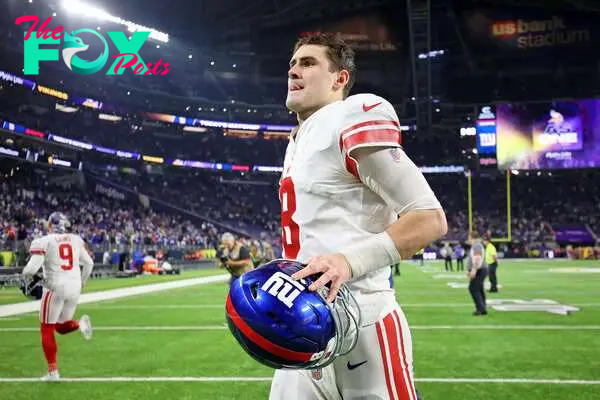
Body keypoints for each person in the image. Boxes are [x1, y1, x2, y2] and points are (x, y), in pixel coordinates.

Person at [269, 33, 447, 400]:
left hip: (363, 320)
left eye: (308, 62)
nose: (293, 70)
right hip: (301, 325)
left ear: (340, 79)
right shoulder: (296, 141)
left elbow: (429, 218)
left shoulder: (350, 116)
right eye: (292, 63)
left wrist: (346, 263)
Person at [21, 212, 94, 381]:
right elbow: (89, 263)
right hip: (74, 286)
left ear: (50, 225)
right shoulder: (75, 239)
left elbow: (31, 270)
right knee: (60, 327)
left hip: (55, 286)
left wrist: (27, 276)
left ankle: (53, 372)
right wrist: (82, 282)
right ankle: (79, 324)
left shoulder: (44, 241)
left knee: (46, 328)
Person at [467, 231, 488, 316]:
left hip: (480, 270)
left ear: (472, 237)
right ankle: (482, 308)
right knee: (479, 289)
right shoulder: (477, 245)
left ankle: (480, 309)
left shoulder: (477, 245)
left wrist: (473, 270)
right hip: (480, 269)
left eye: (469, 237)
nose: (468, 239)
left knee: (473, 288)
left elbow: (477, 258)